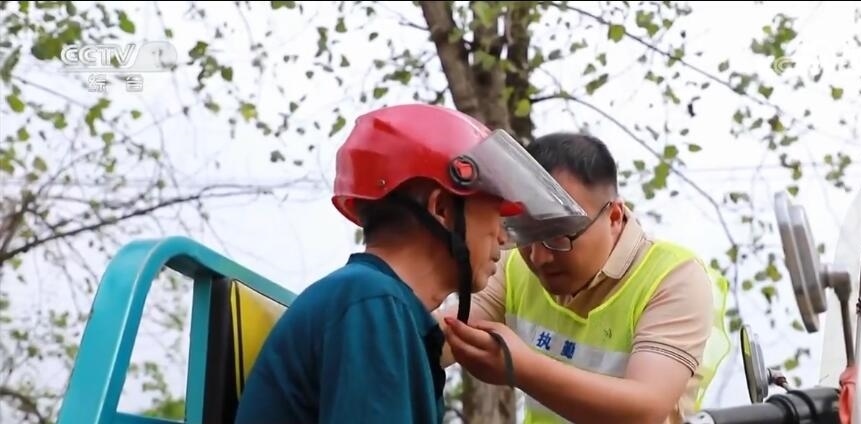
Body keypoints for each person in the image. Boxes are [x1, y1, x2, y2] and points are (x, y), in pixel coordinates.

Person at [234, 104, 591, 424]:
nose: (502, 236)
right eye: (495, 214)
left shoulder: (380, 305)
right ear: (442, 209)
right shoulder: (371, 303)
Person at [438, 132, 731, 424]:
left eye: (559, 237)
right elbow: (445, 336)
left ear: (614, 216)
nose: (539, 258)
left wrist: (523, 369)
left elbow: (645, 409)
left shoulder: (672, 278)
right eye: (525, 234)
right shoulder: (514, 264)